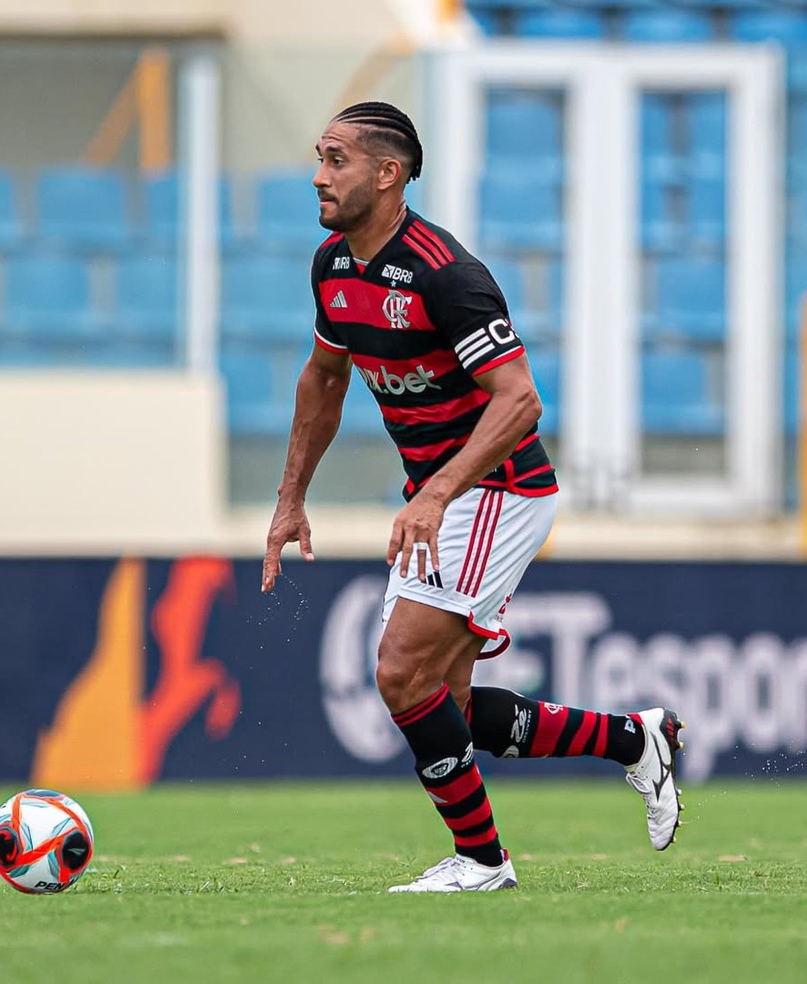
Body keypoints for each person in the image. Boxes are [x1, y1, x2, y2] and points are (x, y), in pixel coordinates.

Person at [262, 101, 685, 893]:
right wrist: (291, 498)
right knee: (441, 701)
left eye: (337, 160)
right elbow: (324, 380)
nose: (319, 176)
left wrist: (439, 493)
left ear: (388, 175)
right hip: (443, 495)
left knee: (397, 674)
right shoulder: (333, 266)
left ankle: (484, 862)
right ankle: (635, 739)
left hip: (496, 488)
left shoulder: (446, 276)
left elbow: (519, 399)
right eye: (319, 157)